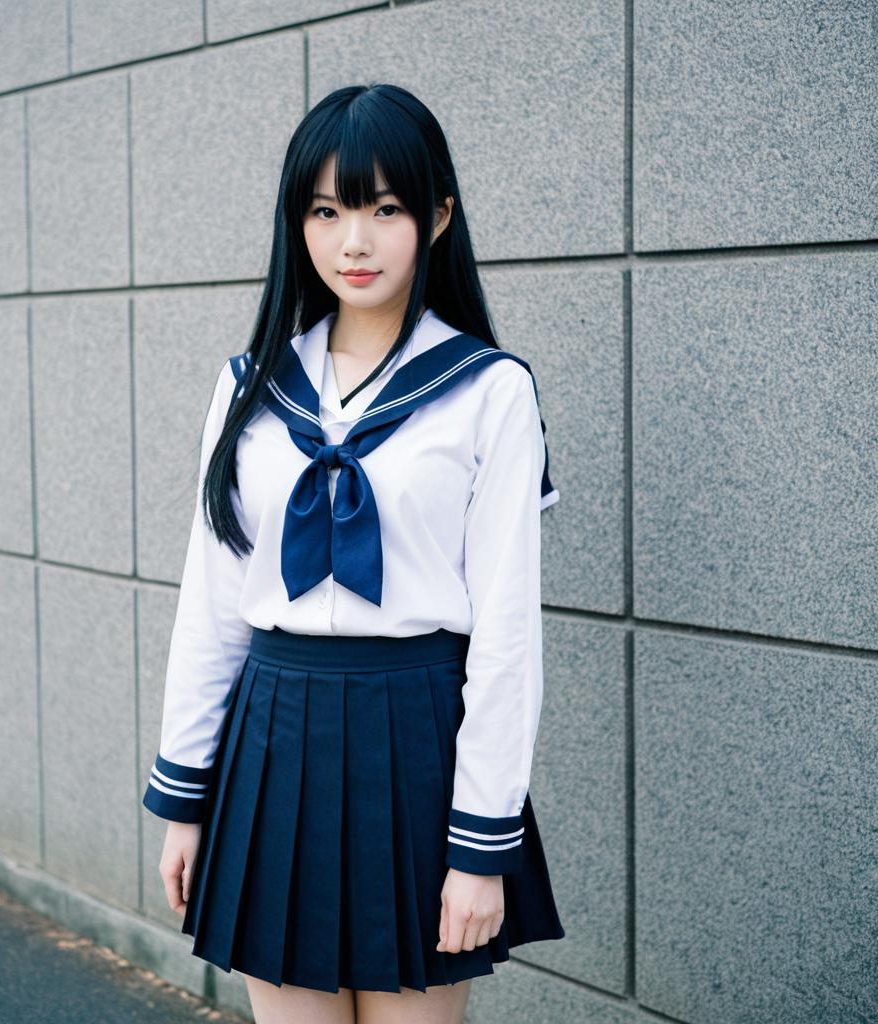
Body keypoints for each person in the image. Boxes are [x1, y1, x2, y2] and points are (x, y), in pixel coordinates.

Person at [141, 82, 565, 1024]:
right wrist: (185, 792)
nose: (354, 242)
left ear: (439, 216)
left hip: (417, 743)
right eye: (327, 212)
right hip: (272, 739)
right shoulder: (251, 386)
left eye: (385, 209)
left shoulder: (489, 392)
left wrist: (479, 848)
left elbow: (506, 633)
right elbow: (212, 600)